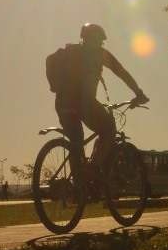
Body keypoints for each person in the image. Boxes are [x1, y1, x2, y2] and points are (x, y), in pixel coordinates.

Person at [54, 23, 149, 178]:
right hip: (84, 103)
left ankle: (79, 188)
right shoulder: (99, 54)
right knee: (109, 129)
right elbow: (122, 72)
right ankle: (93, 169)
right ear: (94, 39)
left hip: (62, 103)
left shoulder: (70, 52)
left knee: (76, 143)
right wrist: (138, 93)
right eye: (99, 40)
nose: (100, 44)